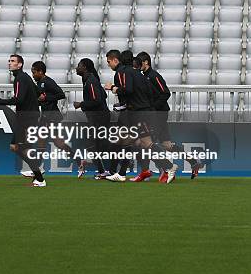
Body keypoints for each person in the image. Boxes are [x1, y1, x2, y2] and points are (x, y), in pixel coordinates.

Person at [104, 50, 178, 183]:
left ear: (116, 60)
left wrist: (113, 88)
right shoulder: (138, 74)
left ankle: (169, 166)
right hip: (143, 111)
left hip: (139, 113)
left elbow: (128, 90)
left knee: (145, 142)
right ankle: (123, 173)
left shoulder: (122, 72)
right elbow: (144, 92)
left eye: (109, 62)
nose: (108, 65)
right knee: (132, 141)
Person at [136, 51, 204, 180]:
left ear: (146, 62)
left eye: (140, 62)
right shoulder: (144, 76)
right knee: (166, 145)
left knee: (147, 143)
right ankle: (193, 161)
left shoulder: (154, 76)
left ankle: (164, 170)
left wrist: (153, 108)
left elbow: (165, 93)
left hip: (158, 114)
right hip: (156, 113)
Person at [0, 54, 46, 187]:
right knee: (23, 147)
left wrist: (2, 102)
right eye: (9, 61)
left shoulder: (19, 79)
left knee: (17, 147)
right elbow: (39, 92)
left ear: (20, 65)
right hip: (31, 116)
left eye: (13, 61)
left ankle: (39, 177)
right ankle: (37, 173)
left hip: (26, 118)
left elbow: (19, 99)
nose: (9, 63)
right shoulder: (26, 77)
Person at [72, 58, 111, 180]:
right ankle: (105, 170)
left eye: (79, 66)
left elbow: (97, 100)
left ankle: (107, 168)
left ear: (84, 67)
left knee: (92, 144)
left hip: (99, 117)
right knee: (98, 144)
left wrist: (81, 104)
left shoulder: (91, 81)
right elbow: (103, 95)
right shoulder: (89, 80)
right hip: (97, 117)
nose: (76, 68)